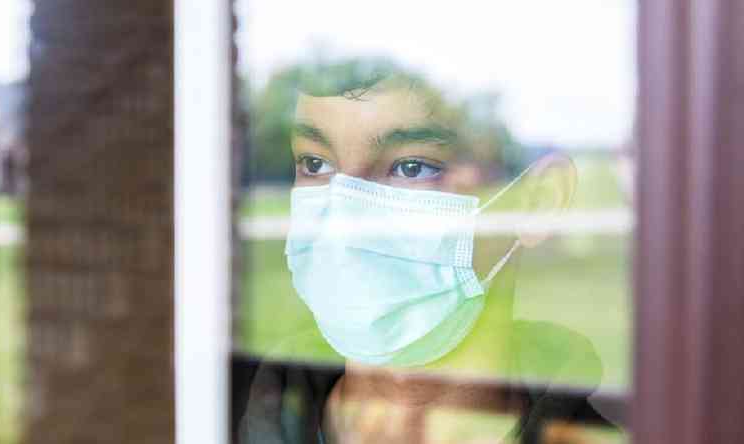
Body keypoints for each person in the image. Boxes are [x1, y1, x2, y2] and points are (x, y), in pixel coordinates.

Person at [237, 60, 603, 444]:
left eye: (412, 167)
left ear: (538, 202)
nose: (344, 222)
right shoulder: (207, 418)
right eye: (316, 164)